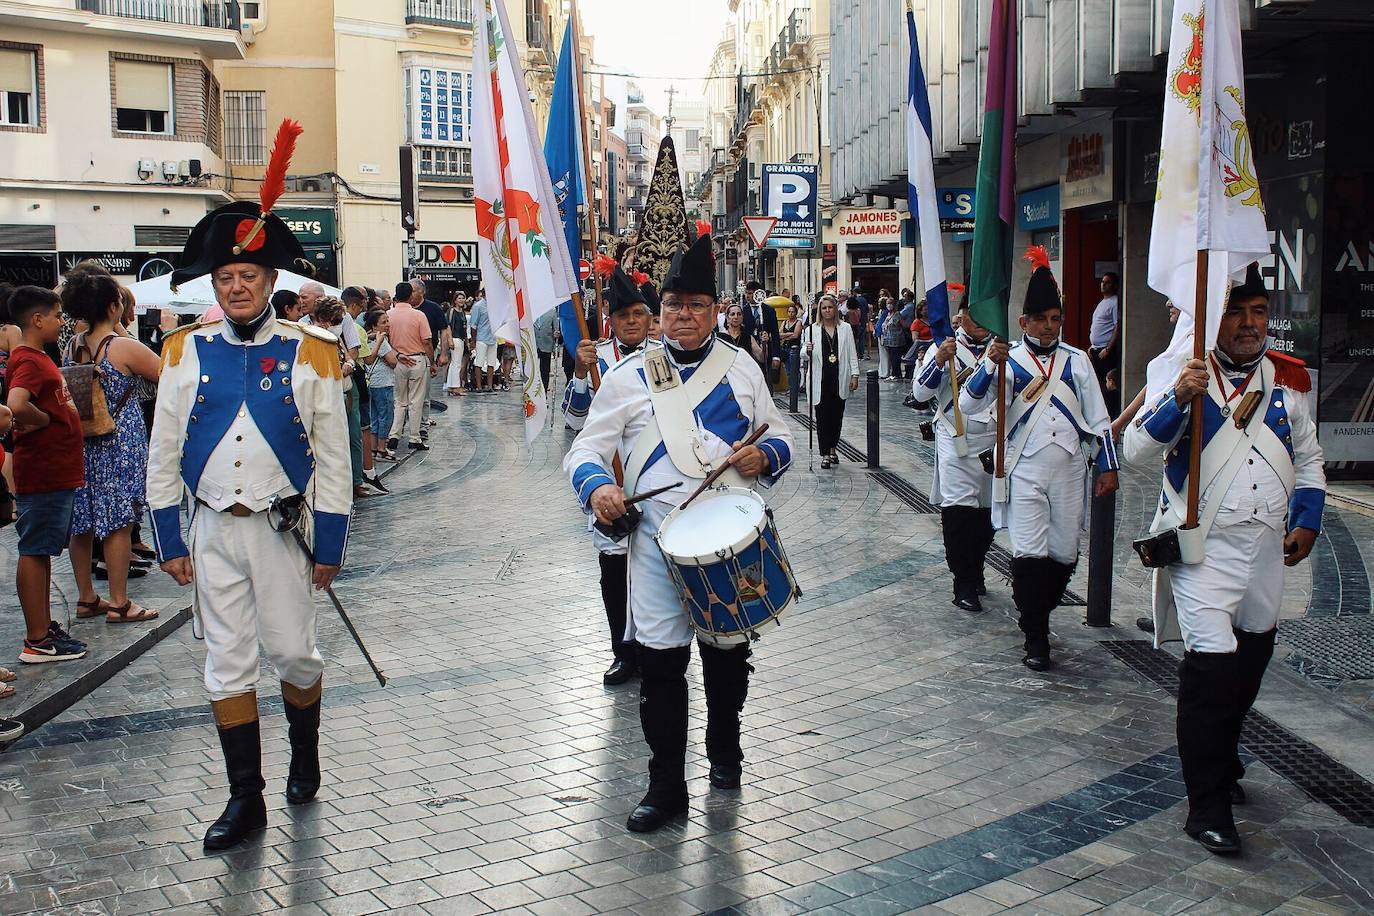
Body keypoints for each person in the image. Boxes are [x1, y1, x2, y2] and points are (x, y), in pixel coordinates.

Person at [145, 128, 353, 851]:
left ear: (272, 283)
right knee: (227, 662)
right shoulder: (182, 352)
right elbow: (162, 452)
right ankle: (246, 800)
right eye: (226, 278)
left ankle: (305, 752)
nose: (236, 287)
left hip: (280, 532)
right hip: (211, 532)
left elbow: (335, 460)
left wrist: (329, 543)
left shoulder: (311, 353)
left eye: (249, 277)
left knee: (295, 654)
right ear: (216, 284)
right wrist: (169, 538)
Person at [563, 235, 794, 833]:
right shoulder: (626, 376)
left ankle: (725, 745)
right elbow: (585, 450)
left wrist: (763, 456)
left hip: (725, 544)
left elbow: (782, 434)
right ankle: (666, 784)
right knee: (661, 666)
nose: (682, 315)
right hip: (655, 543)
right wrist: (598, 489)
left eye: (695, 304)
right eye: (672, 305)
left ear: (715, 310)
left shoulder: (741, 369)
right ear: (659, 310)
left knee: (727, 655)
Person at [1123, 264, 1323, 856]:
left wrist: (1307, 520)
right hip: (1201, 551)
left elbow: (1308, 460)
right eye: (1236, 312)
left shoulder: (1286, 386)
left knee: (1251, 658)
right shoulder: (1189, 378)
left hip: (1264, 549)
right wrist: (1176, 402)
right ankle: (1205, 805)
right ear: (1216, 318)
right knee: (1210, 673)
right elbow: (1136, 452)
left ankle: (1223, 755)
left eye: (1258, 312)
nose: (1247, 324)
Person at [960, 247, 1119, 671]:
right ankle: (1035, 635)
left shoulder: (1078, 361)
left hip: (1069, 469)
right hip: (1023, 468)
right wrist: (987, 368)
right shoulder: (1006, 357)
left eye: (1055, 320)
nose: (1049, 328)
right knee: (1029, 552)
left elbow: (1098, 418)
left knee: (1065, 552)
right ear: (1022, 322)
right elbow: (969, 405)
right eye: (1040, 320)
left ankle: (1038, 612)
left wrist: (1108, 466)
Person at [561, 265, 655, 686]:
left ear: (650, 317)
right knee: (614, 575)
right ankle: (623, 652)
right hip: (610, 485)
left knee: (656, 574)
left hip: (655, 485)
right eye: (623, 316)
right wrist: (580, 374)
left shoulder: (665, 357)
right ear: (611, 321)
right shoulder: (594, 357)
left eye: (638, 314)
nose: (631, 322)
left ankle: (658, 649)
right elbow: (573, 420)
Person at [60, 265, 162, 624]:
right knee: (119, 523)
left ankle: (87, 597)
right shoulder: (122, 347)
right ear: (112, 306)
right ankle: (120, 602)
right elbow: (166, 373)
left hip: (83, 442)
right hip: (119, 442)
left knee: (83, 522)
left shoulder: (74, 345)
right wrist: (119, 328)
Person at [6, 286, 88, 665]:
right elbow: (17, 404)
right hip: (43, 471)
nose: (61, 322)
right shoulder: (29, 360)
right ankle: (37, 638)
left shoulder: (38, 358)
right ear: (37, 320)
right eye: (57, 316)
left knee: (42, 551)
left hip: (54, 471)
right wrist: (44, 421)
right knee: (35, 551)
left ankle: (43, 627)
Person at [913, 297, 996, 611]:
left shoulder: (1002, 349)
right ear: (960, 316)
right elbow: (921, 394)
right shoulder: (945, 346)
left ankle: (975, 567)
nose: (977, 322)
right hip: (954, 435)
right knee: (959, 514)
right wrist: (938, 362)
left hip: (992, 438)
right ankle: (963, 581)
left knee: (987, 516)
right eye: (971, 315)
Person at [802, 294, 859, 469]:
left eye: (830, 307)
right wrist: (807, 349)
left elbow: (851, 353)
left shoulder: (845, 328)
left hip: (839, 378)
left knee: (836, 417)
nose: (827, 311)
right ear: (820, 310)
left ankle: (833, 449)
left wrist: (855, 374)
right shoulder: (812, 329)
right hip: (820, 379)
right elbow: (803, 354)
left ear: (835, 309)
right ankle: (825, 453)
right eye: (824, 308)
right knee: (822, 417)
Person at [385, 282, 434, 452]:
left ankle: (394, 435)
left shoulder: (388, 315)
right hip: (417, 359)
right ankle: (415, 437)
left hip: (398, 360)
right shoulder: (419, 315)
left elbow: (384, 339)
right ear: (410, 296)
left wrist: (397, 354)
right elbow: (427, 341)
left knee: (399, 400)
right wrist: (432, 362)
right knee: (416, 401)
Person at [363, 310, 397, 461]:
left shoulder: (366, 338)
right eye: (384, 322)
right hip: (383, 383)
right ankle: (382, 448)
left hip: (371, 383)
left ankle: (374, 447)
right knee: (386, 416)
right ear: (374, 325)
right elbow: (393, 361)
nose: (388, 324)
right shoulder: (381, 340)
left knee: (375, 416)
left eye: (387, 321)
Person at [1089, 271, 1121, 416]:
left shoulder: (1114, 302)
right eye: (1102, 282)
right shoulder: (1102, 302)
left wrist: (1108, 348)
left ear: (1114, 285)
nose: (1103, 285)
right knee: (1098, 384)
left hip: (1105, 351)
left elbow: (1117, 326)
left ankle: (1111, 414)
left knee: (1108, 384)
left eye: (1107, 282)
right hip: (1096, 349)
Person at [469, 290, 498, 393]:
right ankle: (479, 386)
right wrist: (473, 340)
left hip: (493, 338)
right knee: (479, 362)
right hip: (481, 338)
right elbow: (473, 325)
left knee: (491, 363)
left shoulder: (495, 306)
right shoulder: (478, 306)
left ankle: (490, 386)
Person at [445, 292, 468, 396]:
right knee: (456, 363)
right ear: (455, 300)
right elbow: (448, 325)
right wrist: (450, 339)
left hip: (461, 339)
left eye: (463, 298)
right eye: (459, 298)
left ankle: (451, 385)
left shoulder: (462, 312)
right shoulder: (452, 311)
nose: (461, 300)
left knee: (455, 363)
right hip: (455, 338)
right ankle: (455, 386)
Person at [534, 306, 556, 391]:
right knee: (533, 369)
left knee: (545, 369)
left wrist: (554, 347)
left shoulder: (552, 310)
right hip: (534, 344)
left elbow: (555, 329)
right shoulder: (531, 309)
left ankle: (544, 388)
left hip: (546, 344)